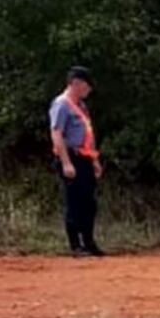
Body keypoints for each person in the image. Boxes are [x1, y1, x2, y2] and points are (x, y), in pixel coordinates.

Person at [50, 66, 104, 257]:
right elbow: (56, 133)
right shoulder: (61, 104)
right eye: (86, 86)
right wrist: (66, 162)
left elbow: (88, 134)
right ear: (76, 84)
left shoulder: (81, 106)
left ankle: (89, 242)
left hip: (85, 157)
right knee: (74, 202)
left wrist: (95, 160)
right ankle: (76, 245)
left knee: (89, 202)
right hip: (71, 156)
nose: (88, 90)